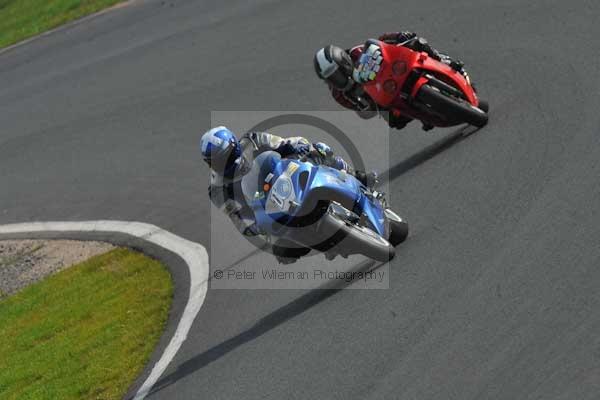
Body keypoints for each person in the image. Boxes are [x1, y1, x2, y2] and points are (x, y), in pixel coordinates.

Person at [200, 126, 376, 263]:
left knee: (321, 150)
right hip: (266, 209)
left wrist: (302, 148)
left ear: (234, 147)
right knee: (284, 254)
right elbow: (236, 216)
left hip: (287, 178)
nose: (222, 163)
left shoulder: (253, 141)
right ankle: (325, 244)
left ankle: (357, 176)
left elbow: (284, 143)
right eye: (215, 161)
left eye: (224, 156)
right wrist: (251, 227)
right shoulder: (217, 189)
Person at [313, 31, 466, 130]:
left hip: (394, 71)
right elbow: (362, 109)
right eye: (330, 79)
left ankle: (444, 61)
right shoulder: (339, 93)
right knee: (395, 121)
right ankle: (423, 113)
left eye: (336, 74)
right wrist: (366, 107)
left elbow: (382, 43)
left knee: (417, 44)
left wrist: (400, 36)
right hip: (384, 94)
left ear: (344, 62)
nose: (335, 80)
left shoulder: (356, 52)